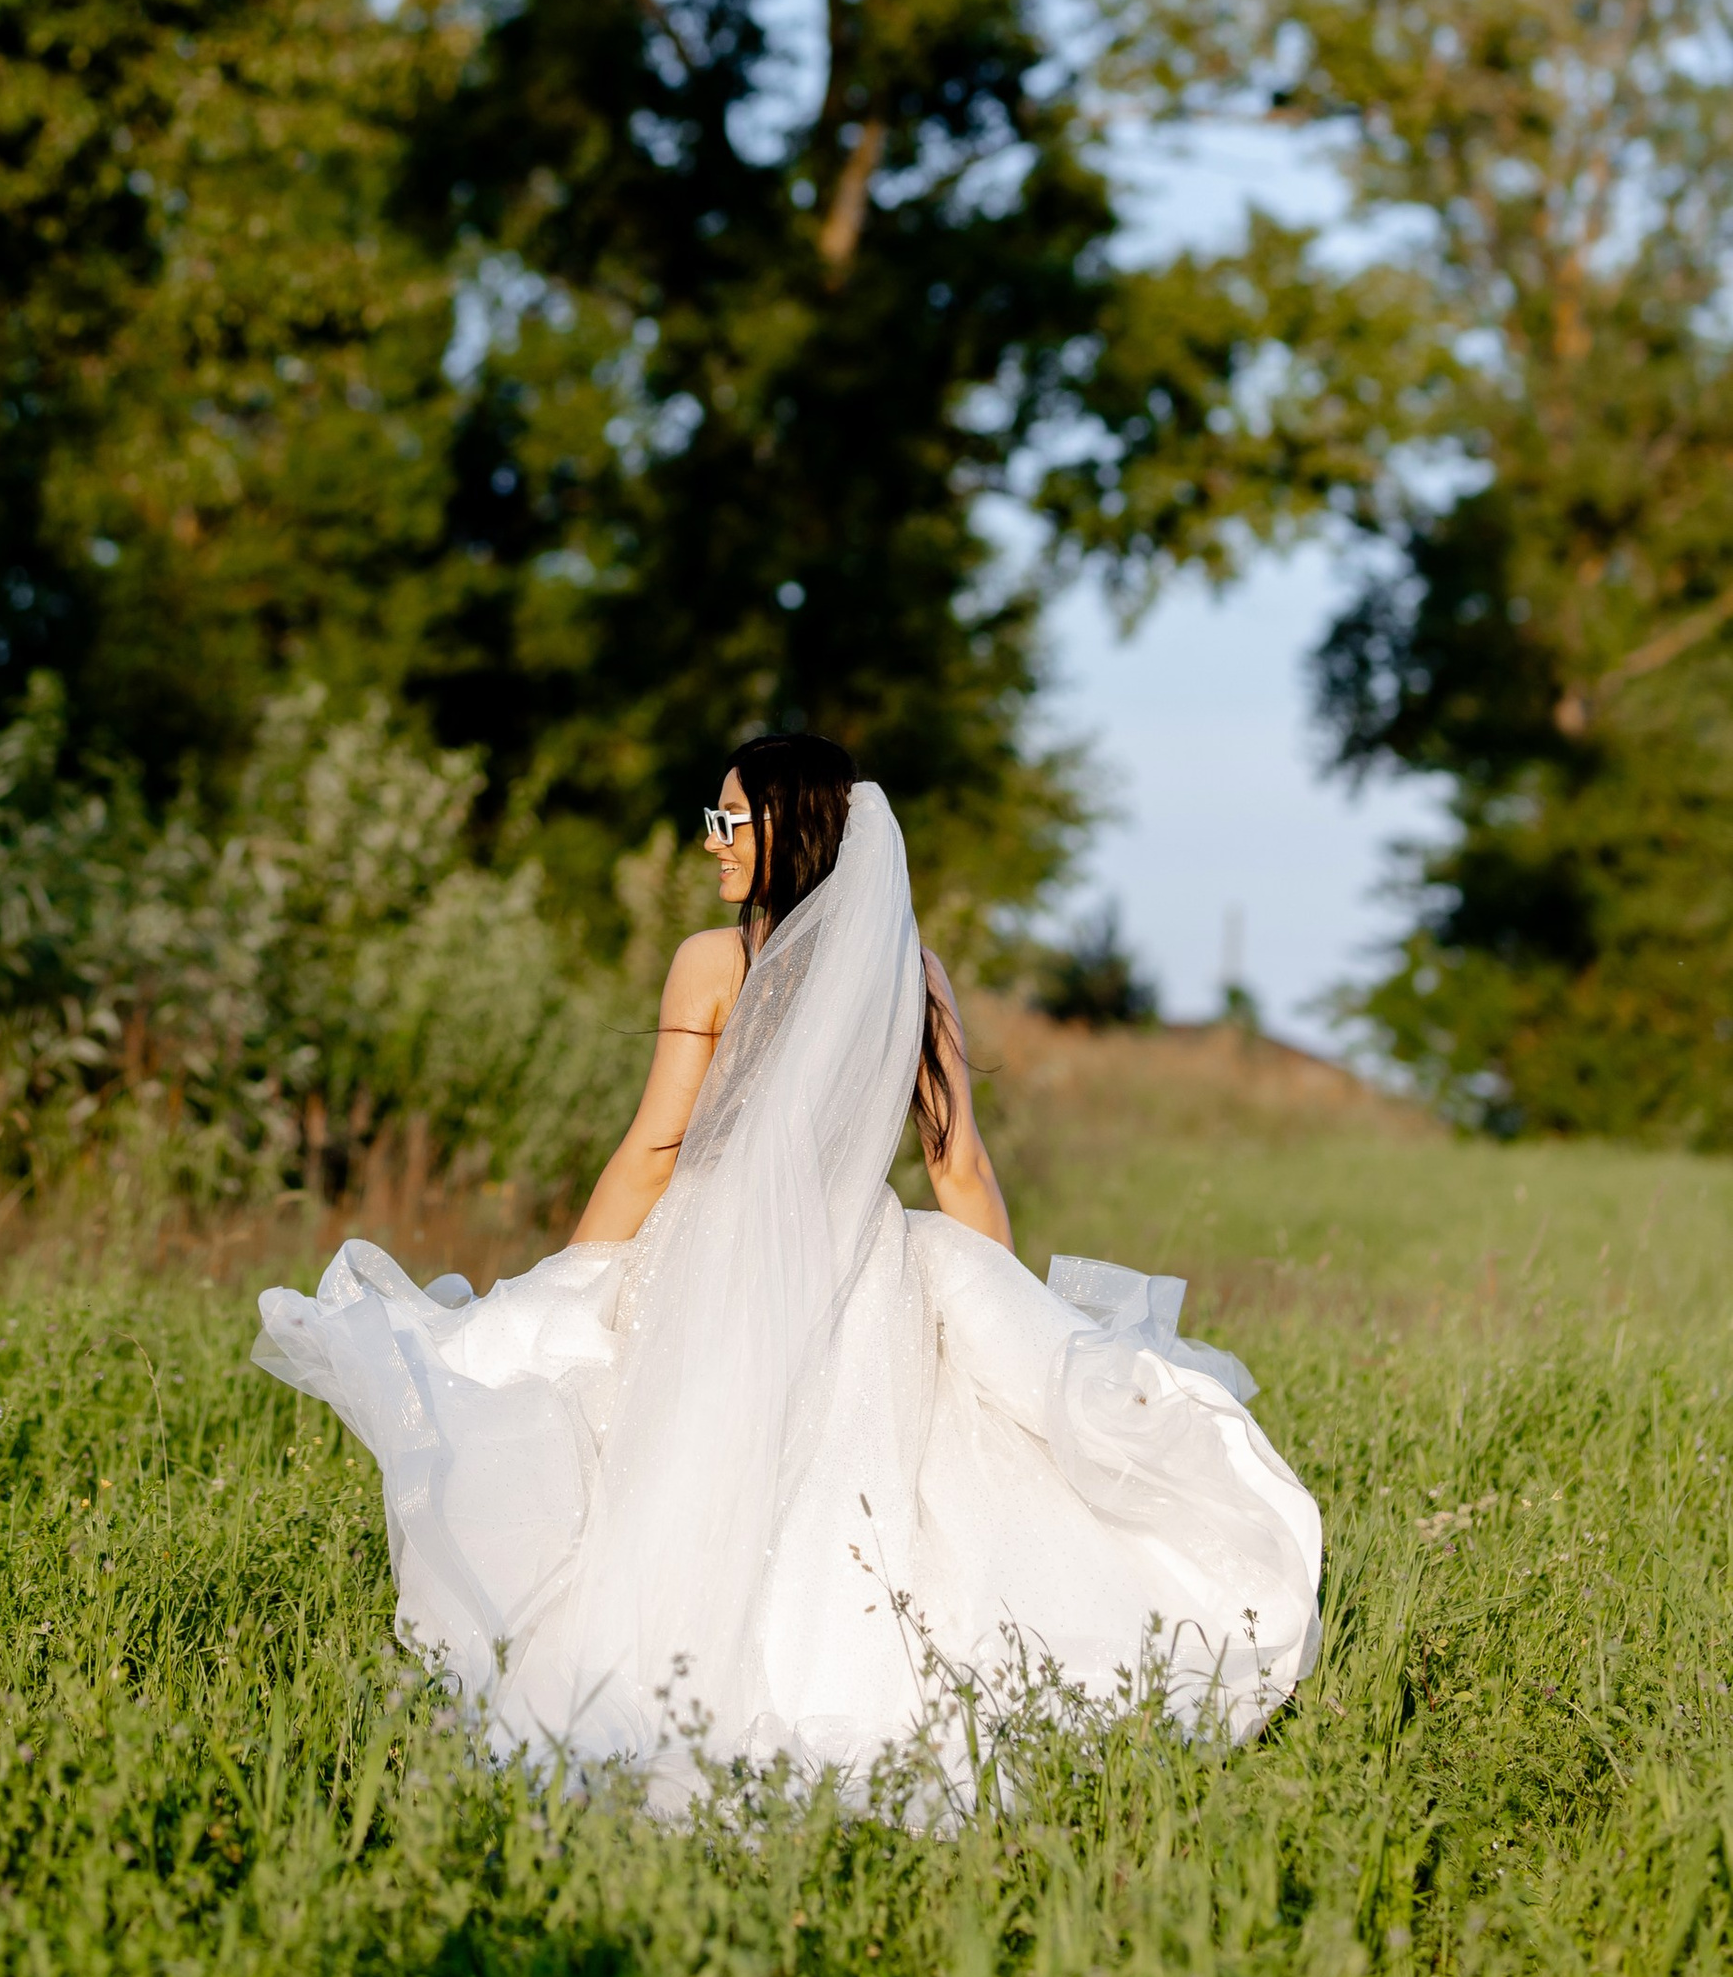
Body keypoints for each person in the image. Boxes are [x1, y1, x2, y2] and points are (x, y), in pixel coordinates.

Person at [255, 736, 1322, 1815]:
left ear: (790, 828)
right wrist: (1018, 1321)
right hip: (864, 1264)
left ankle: (673, 1698)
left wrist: (570, 1274)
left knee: (687, 1470)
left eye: (730, 822)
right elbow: (957, 1165)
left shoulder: (713, 965)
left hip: (714, 1258)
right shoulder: (912, 968)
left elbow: (657, 1150)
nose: (710, 843)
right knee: (852, 1487)